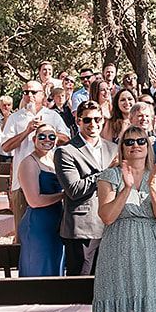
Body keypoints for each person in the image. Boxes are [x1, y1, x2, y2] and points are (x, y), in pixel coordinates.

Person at [93, 124, 156, 312]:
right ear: (122, 147)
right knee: (118, 292)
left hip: (150, 245)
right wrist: (127, 188)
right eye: (129, 142)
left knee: (152, 291)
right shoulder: (109, 176)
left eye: (141, 141)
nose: (135, 145)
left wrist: (153, 186)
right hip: (118, 244)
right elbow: (107, 216)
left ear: (148, 146)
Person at [54, 101, 120, 276]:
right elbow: (74, 190)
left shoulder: (113, 148)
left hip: (111, 225)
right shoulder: (65, 151)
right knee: (81, 286)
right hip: (83, 228)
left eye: (98, 119)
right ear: (78, 121)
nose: (93, 124)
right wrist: (107, 172)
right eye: (88, 120)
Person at [0, 80, 70, 229]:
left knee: (53, 227)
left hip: (50, 177)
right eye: (26, 92)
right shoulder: (15, 117)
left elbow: (66, 139)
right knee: (23, 228)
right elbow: (5, 147)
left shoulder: (53, 116)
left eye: (33, 92)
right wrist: (27, 132)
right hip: (21, 182)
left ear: (42, 94)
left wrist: (47, 132)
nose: (29, 95)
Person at [16, 124, 65, 276]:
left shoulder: (54, 160)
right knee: (38, 271)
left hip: (57, 223)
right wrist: (64, 195)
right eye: (42, 136)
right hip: (38, 225)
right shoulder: (29, 163)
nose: (47, 140)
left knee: (55, 270)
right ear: (34, 139)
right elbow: (34, 201)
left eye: (51, 136)